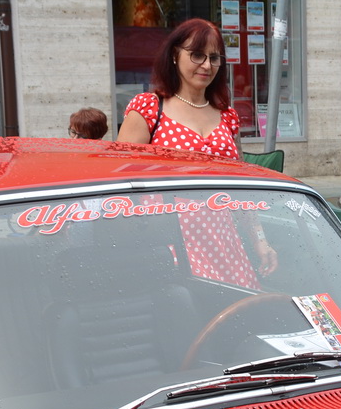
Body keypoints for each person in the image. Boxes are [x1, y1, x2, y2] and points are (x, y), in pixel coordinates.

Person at [114, 18, 276, 283]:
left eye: (214, 58)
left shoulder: (227, 116)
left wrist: (260, 240)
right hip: (167, 243)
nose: (206, 65)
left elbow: (241, 189)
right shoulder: (149, 108)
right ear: (175, 55)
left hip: (223, 240)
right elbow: (122, 186)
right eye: (197, 55)